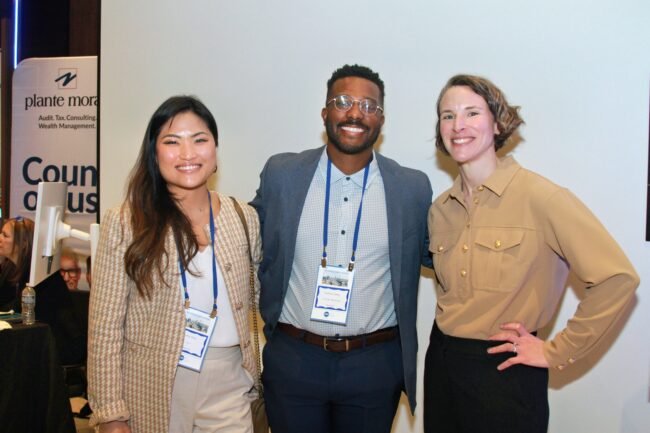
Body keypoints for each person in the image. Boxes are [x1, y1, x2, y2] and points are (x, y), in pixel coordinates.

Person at [424, 74, 640, 433]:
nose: (458, 125)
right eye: (448, 116)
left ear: (497, 123)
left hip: (505, 373)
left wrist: (556, 351)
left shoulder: (542, 198)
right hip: (443, 365)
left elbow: (617, 278)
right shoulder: (440, 210)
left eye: (472, 113)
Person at [250, 64, 432, 433]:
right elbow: (244, 239)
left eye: (369, 106)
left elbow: (446, 254)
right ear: (325, 113)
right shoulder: (282, 175)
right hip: (294, 359)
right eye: (343, 102)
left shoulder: (411, 188)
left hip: (374, 366)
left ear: (381, 120)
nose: (355, 113)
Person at [87, 95, 261, 433]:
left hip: (229, 383)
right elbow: (105, 327)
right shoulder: (126, 222)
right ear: (154, 153)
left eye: (199, 140)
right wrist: (110, 412)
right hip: (152, 384)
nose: (187, 153)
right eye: (172, 142)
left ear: (215, 150)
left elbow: (259, 297)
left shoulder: (243, 217)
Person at [0, 216, 86, 364]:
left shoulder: (43, 275)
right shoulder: (9, 269)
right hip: (30, 341)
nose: (0, 238)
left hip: (56, 345)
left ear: (23, 243)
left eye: (5, 235)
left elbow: (17, 309)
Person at [0, 217, 34, 310]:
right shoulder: (8, 267)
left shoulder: (33, 275)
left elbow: (18, 307)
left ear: (23, 244)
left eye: (5, 235)